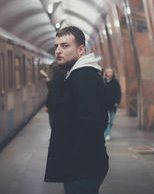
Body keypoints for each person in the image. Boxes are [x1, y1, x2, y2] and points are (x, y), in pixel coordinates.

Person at [44, 26, 108, 194]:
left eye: (65, 46)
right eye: (56, 46)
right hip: (82, 167)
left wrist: (72, 163)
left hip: (82, 170)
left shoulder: (83, 77)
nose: (58, 51)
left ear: (81, 50)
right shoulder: (79, 75)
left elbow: (93, 124)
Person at [44, 62, 65, 128]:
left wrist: (47, 82)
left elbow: (52, 91)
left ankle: (55, 137)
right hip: (59, 104)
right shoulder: (63, 76)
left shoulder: (57, 77)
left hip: (54, 105)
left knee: (53, 123)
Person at [103, 68, 121, 141]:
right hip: (105, 104)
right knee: (108, 120)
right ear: (106, 73)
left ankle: (106, 131)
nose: (110, 73)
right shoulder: (103, 82)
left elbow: (118, 93)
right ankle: (107, 134)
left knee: (111, 122)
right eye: (108, 72)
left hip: (113, 105)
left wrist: (117, 102)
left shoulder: (115, 82)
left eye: (111, 72)